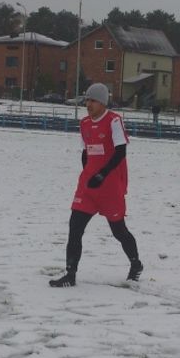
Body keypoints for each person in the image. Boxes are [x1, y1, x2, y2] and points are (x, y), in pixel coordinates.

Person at [50, 83, 143, 287]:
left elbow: (120, 152)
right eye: (87, 100)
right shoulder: (84, 123)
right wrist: (88, 174)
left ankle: (136, 264)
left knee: (119, 231)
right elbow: (86, 152)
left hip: (109, 186)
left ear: (102, 102)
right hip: (89, 186)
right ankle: (70, 274)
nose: (88, 104)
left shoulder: (114, 121)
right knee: (74, 228)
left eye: (92, 100)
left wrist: (101, 175)